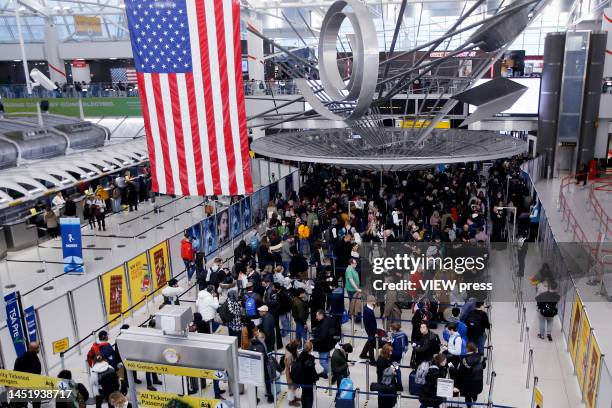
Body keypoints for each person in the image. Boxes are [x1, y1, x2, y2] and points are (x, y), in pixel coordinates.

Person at [452, 342, 485, 407]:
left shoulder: (464, 360)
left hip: (468, 383)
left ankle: (469, 406)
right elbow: (483, 366)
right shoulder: (481, 358)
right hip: (478, 381)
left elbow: (460, 373)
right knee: (475, 393)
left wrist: (452, 368)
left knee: (468, 396)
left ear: (467, 349)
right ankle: (474, 402)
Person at [249, 331, 274, 404]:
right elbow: (265, 357)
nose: (264, 340)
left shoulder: (251, 344)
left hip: (254, 367)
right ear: (261, 338)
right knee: (267, 380)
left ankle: (254, 399)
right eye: (263, 338)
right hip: (263, 366)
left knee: (255, 383)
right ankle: (270, 397)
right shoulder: (262, 346)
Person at [311, 309, 335, 379]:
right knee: (326, 360)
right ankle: (324, 373)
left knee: (322, 362)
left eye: (317, 315)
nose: (316, 317)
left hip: (323, 346)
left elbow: (322, 337)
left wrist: (312, 341)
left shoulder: (324, 324)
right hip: (328, 344)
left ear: (321, 315)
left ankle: (333, 372)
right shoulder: (327, 319)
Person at [294, 341, 319, 408]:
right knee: (309, 396)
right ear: (310, 349)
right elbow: (312, 371)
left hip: (301, 380)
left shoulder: (300, 356)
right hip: (308, 381)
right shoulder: (311, 358)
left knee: (304, 393)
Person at [376, 343, 398, 407]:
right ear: (386, 351)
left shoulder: (384, 358)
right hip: (385, 383)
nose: (391, 353)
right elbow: (383, 372)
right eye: (390, 351)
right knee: (385, 400)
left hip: (385, 382)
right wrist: (392, 371)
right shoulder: (382, 360)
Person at [389, 322, 409, 388]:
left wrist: (391, 352)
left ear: (394, 329)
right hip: (397, 356)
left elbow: (397, 352)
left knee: (396, 369)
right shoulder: (399, 335)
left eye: (391, 328)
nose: (390, 329)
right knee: (396, 369)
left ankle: (399, 385)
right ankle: (398, 383)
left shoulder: (397, 339)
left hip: (395, 357)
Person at [359, 295, 377, 365]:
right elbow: (370, 324)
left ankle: (363, 354)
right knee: (371, 343)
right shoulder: (368, 311)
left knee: (370, 341)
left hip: (369, 328)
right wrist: (375, 332)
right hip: (370, 329)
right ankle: (372, 361)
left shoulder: (368, 307)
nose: (375, 302)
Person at [284, 339, 301, 407]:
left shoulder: (292, 350)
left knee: (294, 386)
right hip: (290, 373)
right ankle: (291, 401)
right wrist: (289, 378)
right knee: (291, 387)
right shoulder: (289, 355)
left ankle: (294, 397)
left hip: (294, 371)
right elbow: (288, 368)